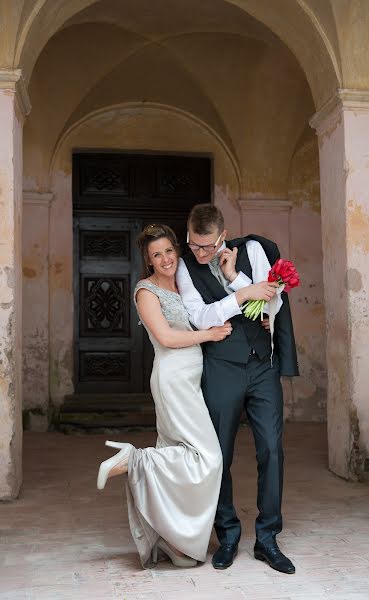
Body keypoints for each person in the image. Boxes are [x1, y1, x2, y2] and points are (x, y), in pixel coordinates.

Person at [97, 224, 232, 569]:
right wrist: (209, 335)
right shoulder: (146, 291)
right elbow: (167, 338)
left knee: (176, 455)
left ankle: (178, 542)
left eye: (168, 250)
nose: (165, 259)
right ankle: (132, 461)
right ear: (148, 260)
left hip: (192, 378)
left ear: (177, 249)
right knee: (208, 458)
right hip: (172, 378)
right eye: (156, 255)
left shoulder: (184, 279)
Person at [176, 204, 299, 574]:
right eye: (194, 245)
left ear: (222, 235)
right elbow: (198, 315)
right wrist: (242, 298)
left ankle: (267, 539)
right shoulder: (184, 265)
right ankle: (227, 535)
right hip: (220, 367)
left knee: (272, 450)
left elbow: (270, 300)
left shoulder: (255, 251)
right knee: (219, 454)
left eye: (207, 246)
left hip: (262, 364)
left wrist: (233, 279)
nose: (200, 253)